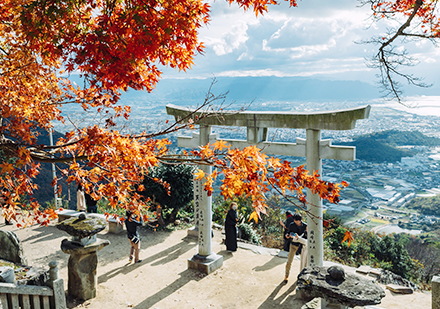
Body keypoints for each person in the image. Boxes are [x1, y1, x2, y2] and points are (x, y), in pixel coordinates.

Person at [284, 213, 308, 283]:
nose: (295, 222)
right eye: (295, 221)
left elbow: (306, 237)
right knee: (289, 261)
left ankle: (302, 276)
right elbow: (288, 232)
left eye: (297, 221)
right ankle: (286, 276)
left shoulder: (305, 226)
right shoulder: (291, 225)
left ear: (300, 220)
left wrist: (299, 237)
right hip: (293, 245)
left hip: (302, 246)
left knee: (304, 262)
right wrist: (288, 235)